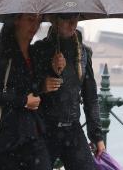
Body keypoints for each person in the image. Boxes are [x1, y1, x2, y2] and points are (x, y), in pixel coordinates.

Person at [0, 14, 52, 170]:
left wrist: (47, 82)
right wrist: (23, 101)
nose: (35, 26)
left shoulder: (34, 54)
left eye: (38, 21)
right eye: (31, 20)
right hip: (8, 136)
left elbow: (32, 87)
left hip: (32, 132)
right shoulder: (3, 53)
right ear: (17, 20)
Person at [33, 14, 106, 170]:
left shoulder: (83, 53)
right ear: (54, 20)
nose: (73, 23)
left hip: (72, 128)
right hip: (44, 129)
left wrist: (97, 136)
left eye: (76, 17)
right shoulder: (39, 50)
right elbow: (26, 87)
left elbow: (90, 97)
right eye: (66, 18)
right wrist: (43, 83)